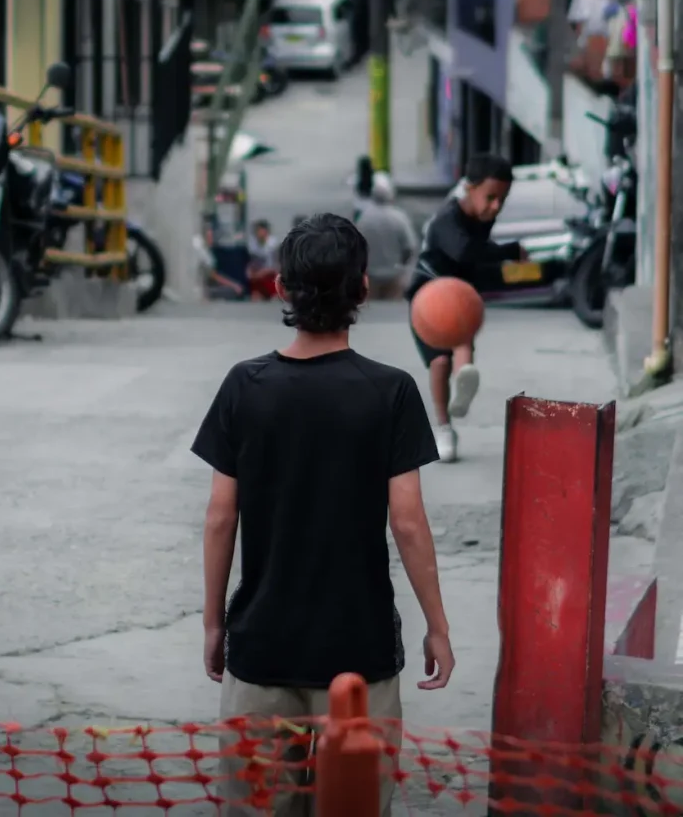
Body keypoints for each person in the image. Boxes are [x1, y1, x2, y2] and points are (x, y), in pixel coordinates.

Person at [193, 214, 452, 817]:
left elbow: (218, 518)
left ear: (281, 288)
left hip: (262, 648)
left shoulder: (244, 387)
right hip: (357, 660)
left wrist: (213, 624)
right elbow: (408, 523)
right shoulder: (391, 392)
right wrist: (436, 624)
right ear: (363, 289)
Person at [407, 152, 520, 464]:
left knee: (462, 341)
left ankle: (464, 378)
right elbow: (464, 251)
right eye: (491, 197)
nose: (496, 206)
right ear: (469, 188)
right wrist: (509, 251)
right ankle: (444, 426)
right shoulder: (448, 218)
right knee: (439, 363)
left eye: (503, 199)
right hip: (428, 297)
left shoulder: (483, 215)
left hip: (459, 297)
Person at [355, 173, 417, 300]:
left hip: (371, 276)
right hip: (394, 276)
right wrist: (402, 266)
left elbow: (356, 248)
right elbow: (410, 247)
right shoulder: (400, 218)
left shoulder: (364, 219)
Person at [247, 219, 278, 300]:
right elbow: (252, 262)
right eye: (257, 231)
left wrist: (262, 272)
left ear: (266, 231)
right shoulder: (253, 244)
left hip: (270, 276)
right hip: (258, 276)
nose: (258, 233)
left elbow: (275, 267)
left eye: (260, 230)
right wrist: (249, 271)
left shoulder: (273, 244)